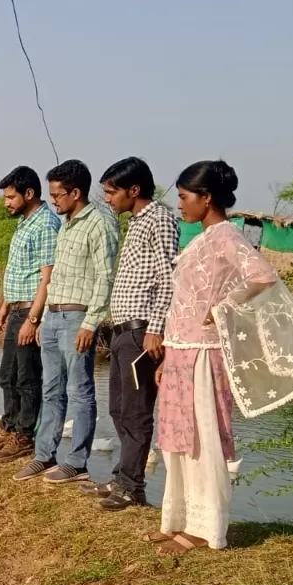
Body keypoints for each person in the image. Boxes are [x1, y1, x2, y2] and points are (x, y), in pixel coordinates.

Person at [149, 160, 293, 554]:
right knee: (177, 439)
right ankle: (176, 519)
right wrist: (168, 353)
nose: (179, 204)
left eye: (183, 197)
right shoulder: (200, 238)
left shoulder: (226, 235)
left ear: (206, 197)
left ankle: (205, 528)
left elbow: (262, 274)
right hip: (182, 350)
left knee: (204, 438)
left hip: (205, 354)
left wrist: (223, 307)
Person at [14, 159, 118, 484]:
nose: (54, 200)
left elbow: (105, 276)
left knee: (80, 390)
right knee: (51, 389)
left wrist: (91, 323)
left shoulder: (99, 223)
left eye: (58, 195)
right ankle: (44, 455)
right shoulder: (66, 224)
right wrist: (43, 317)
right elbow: (55, 277)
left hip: (78, 317)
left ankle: (77, 463)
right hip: (54, 316)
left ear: (75, 192)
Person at [87, 157, 180, 510]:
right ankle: (122, 477)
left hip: (142, 333)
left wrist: (156, 330)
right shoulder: (138, 222)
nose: (108, 199)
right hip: (122, 333)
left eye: (111, 192)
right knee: (119, 408)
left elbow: (168, 280)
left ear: (134, 190)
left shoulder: (160, 220)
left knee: (137, 412)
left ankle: (132, 486)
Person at [0, 166, 61, 462]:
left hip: (31, 309)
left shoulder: (45, 224)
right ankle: (10, 426)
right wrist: (5, 304)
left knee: (27, 376)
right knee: (8, 374)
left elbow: (47, 277)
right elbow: (17, 270)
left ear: (29, 194)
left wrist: (34, 319)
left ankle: (24, 435)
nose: (7, 203)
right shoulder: (25, 222)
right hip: (16, 307)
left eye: (11, 197)